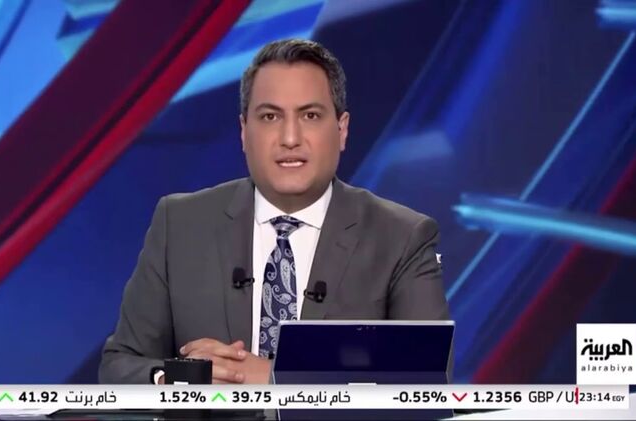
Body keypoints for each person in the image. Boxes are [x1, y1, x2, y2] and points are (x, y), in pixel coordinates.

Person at [99, 39, 449, 385]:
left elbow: (426, 380)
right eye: (270, 116)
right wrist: (179, 378)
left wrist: (274, 379)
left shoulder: (402, 237)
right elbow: (119, 365)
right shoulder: (180, 224)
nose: (290, 138)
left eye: (310, 116)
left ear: (342, 130)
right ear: (243, 131)